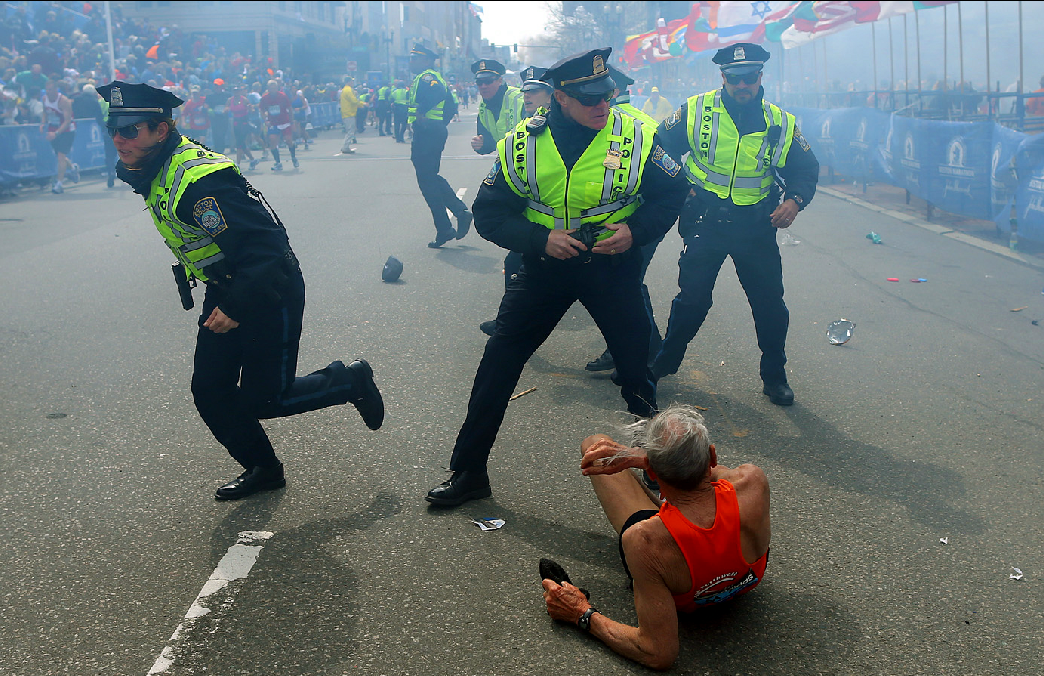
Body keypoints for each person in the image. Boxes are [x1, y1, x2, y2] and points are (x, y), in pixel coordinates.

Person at [425, 48, 689, 507]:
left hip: (611, 268)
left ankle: (660, 473)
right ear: (560, 98)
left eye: (606, 94)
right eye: (589, 98)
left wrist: (637, 232)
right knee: (497, 366)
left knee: (635, 375)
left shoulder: (636, 134)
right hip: (545, 269)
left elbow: (674, 190)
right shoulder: (522, 143)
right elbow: (488, 214)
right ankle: (468, 472)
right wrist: (538, 239)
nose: (602, 104)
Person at [97, 80, 385, 500]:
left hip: (268, 287)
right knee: (210, 390)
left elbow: (268, 248)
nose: (119, 140)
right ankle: (264, 469)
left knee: (265, 400)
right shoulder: (154, 163)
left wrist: (235, 305)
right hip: (228, 285)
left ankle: (350, 381)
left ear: (161, 130)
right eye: (113, 130)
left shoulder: (199, 181)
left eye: (130, 130)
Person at [650, 43, 820, 406]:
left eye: (749, 78)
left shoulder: (780, 122)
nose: (742, 85)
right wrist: (679, 187)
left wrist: (794, 200)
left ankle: (774, 376)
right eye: (734, 78)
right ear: (723, 77)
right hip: (705, 222)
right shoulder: (695, 110)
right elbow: (658, 147)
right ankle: (665, 362)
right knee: (693, 300)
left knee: (769, 304)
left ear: (760, 77)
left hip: (755, 226)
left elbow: (805, 170)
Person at [540, 404, 771, 669]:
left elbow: (658, 653)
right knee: (693, 502)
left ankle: (668, 501)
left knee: (594, 444)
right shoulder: (753, 481)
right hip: (744, 579)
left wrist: (581, 613)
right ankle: (672, 503)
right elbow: (710, 474)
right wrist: (649, 459)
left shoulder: (644, 540)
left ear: (651, 472)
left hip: (681, 588)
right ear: (712, 455)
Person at [584, 66, 663, 373]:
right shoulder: (647, 121)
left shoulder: (622, 126)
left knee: (625, 285)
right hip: (643, 219)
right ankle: (641, 349)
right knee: (626, 284)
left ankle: (640, 352)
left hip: (633, 221)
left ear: (611, 94)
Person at [477, 65, 553, 337]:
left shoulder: (554, 125)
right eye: (526, 91)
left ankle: (643, 351)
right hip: (539, 214)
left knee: (608, 294)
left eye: (534, 91)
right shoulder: (530, 125)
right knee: (519, 265)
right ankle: (510, 325)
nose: (527, 95)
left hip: (565, 218)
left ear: (551, 94)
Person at [407, 43, 472, 248]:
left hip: (427, 132)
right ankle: (452, 219)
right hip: (429, 131)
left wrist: (423, 116)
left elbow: (439, 96)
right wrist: (436, 124)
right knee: (429, 178)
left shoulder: (428, 77)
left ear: (426, 60)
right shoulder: (430, 78)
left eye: (415, 58)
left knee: (427, 180)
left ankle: (449, 224)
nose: (411, 61)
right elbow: (452, 104)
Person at [469, 59, 524, 155]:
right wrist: (481, 145)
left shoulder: (520, 99)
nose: (483, 86)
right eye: (479, 82)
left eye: (488, 81)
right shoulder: (483, 106)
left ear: (500, 81)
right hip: (508, 159)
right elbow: (490, 143)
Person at [73, 82, 116, 188]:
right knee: (121, 152)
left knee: (109, 153)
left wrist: (103, 127)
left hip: (107, 129)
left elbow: (98, 116)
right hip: (118, 129)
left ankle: (110, 171)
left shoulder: (100, 101)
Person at [40, 77, 78, 194]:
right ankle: (73, 168)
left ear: (56, 89)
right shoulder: (45, 99)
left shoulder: (63, 101)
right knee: (59, 156)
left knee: (61, 156)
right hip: (52, 128)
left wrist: (56, 133)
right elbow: (45, 112)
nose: (48, 91)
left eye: (50, 89)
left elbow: (67, 121)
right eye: (47, 89)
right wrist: (42, 123)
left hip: (66, 130)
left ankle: (59, 183)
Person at [260, 79, 298, 170]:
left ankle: (293, 157)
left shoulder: (283, 96)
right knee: (272, 141)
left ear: (277, 88)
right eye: (270, 88)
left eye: (274, 87)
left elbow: (290, 108)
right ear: (268, 88)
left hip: (284, 121)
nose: (272, 89)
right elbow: (261, 109)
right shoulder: (265, 98)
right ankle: (278, 162)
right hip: (273, 122)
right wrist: (265, 120)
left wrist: (292, 122)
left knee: (288, 140)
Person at [229, 83, 260, 171]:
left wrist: (251, 108)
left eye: (238, 91)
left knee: (240, 143)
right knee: (241, 143)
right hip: (236, 124)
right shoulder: (230, 100)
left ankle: (238, 163)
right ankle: (252, 159)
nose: (236, 93)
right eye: (235, 91)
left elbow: (251, 109)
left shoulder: (245, 100)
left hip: (244, 123)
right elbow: (227, 109)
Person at [339, 77, 361, 147]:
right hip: (349, 113)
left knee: (350, 131)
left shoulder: (345, 90)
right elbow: (354, 100)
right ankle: (345, 147)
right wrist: (362, 104)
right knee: (350, 131)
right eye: (352, 81)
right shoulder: (348, 90)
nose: (353, 83)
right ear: (349, 82)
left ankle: (346, 147)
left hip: (348, 113)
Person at [391, 78, 409, 143]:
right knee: (404, 124)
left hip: (396, 108)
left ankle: (397, 138)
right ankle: (401, 136)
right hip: (404, 108)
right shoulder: (407, 91)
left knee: (397, 124)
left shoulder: (394, 92)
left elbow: (391, 99)